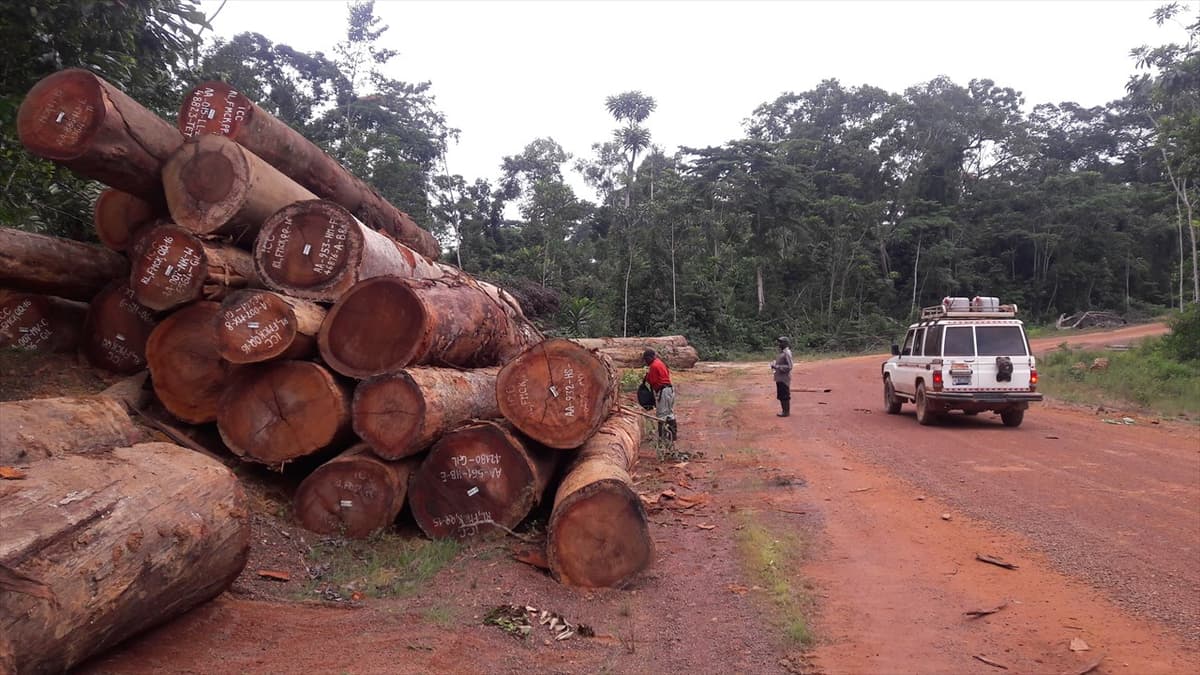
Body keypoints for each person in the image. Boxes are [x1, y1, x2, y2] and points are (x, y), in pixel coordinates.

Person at [642, 348, 677, 441]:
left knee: (661, 415)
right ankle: (673, 435)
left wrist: (646, 378)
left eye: (646, 360)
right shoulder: (660, 363)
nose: (646, 362)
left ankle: (662, 437)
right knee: (669, 413)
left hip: (663, 391)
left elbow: (652, 381)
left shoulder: (654, 366)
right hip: (669, 390)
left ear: (650, 357)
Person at [770, 336, 793, 417]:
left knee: (785, 395)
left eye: (781, 342)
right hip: (780, 377)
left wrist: (777, 367)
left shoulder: (787, 353)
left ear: (785, 343)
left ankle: (786, 412)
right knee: (781, 395)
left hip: (784, 378)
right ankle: (784, 411)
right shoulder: (782, 352)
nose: (779, 344)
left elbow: (790, 367)